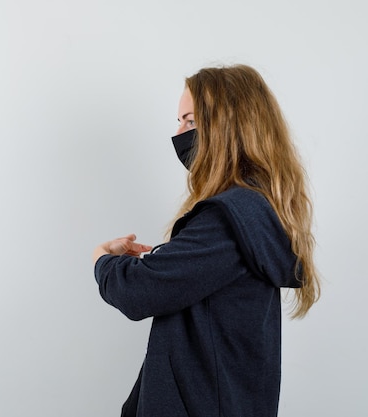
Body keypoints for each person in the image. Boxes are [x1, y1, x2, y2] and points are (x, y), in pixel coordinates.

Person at [92, 64, 320, 417]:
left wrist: (102, 258)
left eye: (191, 122)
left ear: (227, 127)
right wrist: (172, 258)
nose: (179, 134)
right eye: (179, 122)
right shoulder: (252, 212)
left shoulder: (226, 219)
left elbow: (138, 292)